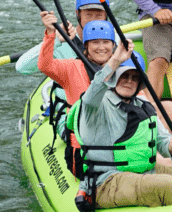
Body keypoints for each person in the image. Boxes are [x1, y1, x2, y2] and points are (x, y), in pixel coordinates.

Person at [68, 41, 172, 211]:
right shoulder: (97, 105)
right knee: (166, 184)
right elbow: (93, 91)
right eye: (124, 76)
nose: (129, 81)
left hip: (146, 172)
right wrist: (116, 59)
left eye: (135, 78)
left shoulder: (144, 106)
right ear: (114, 77)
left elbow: (163, 143)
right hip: (107, 181)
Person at [38, 12, 117, 177]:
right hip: (83, 150)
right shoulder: (71, 68)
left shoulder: (121, 68)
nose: (101, 47)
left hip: (117, 143)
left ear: (113, 46)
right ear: (86, 46)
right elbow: (45, 66)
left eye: (106, 42)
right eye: (95, 42)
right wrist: (50, 34)